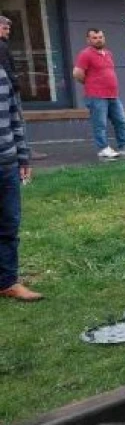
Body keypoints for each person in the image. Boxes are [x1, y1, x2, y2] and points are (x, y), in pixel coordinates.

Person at [0, 65, 41, 301]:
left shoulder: (2, 73)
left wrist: (23, 155)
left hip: (7, 161)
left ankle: (7, 282)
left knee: (9, 224)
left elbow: (15, 116)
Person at [73, 28, 125, 160]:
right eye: (95, 38)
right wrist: (90, 83)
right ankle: (103, 148)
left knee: (121, 121)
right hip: (96, 96)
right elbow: (77, 73)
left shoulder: (108, 53)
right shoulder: (85, 54)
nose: (98, 40)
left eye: (100, 37)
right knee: (100, 124)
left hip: (113, 95)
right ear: (88, 40)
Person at [0, 16, 46, 161]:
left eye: (9, 29)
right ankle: (23, 151)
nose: (8, 32)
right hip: (8, 89)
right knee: (16, 120)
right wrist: (15, 84)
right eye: (4, 28)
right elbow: (6, 68)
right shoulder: (1, 46)